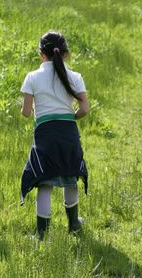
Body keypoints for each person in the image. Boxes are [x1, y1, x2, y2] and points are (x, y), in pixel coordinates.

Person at [20, 31, 90, 240]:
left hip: (45, 135)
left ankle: (42, 234)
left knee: (45, 182)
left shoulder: (32, 77)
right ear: (66, 54)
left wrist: (30, 111)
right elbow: (85, 108)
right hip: (68, 132)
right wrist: (71, 118)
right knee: (70, 178)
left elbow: (25, 112)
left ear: (41, 54)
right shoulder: (75, 77)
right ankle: (74, 224)